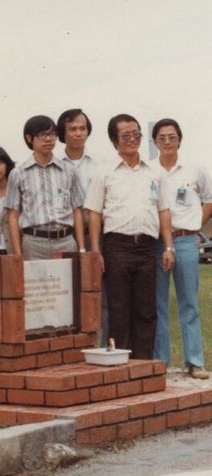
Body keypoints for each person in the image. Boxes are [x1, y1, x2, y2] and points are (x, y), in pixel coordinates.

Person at [84, 114, 175, 360]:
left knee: (146, 311)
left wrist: (168, 247)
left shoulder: (154, 172)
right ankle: (118, 367)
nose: (133, 139)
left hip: (147, 248)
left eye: (136, 134)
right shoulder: (104, 171)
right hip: (116, 247)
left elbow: (164, 210)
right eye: (126, 135)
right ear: (115, 141)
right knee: (118, 310)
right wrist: (96, 251)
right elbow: (94, 212)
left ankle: (142, 366)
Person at [151, 119, 211, 379]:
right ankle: (160, 362)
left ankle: (195, 361)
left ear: (179, 140)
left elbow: (208, 199)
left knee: (189, 303)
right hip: (156, 241)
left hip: (186, 240)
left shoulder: (194, 169)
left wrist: (197, 224)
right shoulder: (149, 170)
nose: (167, 141)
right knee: (158, 303)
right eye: (161, 137)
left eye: (171, 137)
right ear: (154, 142)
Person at [58, 108, 108, 342]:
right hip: (66, 238)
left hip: (96, 236)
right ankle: (71, 347)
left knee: (101, 295)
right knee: (68, 295)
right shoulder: (55, 166)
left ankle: (102, 344)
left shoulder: (99, 165)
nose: (78, 133)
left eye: (82, 128)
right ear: (63, 133)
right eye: (72, 129)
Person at [5, 115, 85, 260]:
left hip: (66, 241)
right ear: (29, 138)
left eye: (52, 134)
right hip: (33, 244)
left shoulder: (70, 170)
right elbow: (13, 216)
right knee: (36, 283)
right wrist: (18, 254)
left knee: (69, 283)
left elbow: (77, 210)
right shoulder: (18, 173)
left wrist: (81, 247)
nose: (49, 139)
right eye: (43, 135)